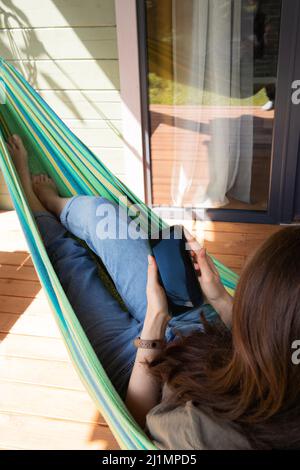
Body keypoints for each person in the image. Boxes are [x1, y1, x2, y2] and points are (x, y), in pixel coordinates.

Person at [7, 135, 300, 450]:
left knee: (68, 266)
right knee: (102, 214)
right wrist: (218, 297)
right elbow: (255, 334)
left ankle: (32, 201)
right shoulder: (286, 352)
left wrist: (155, 321)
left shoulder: (206, 434)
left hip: (144, 369)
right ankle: (54, 203)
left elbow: (138, 417)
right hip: (200, 328)